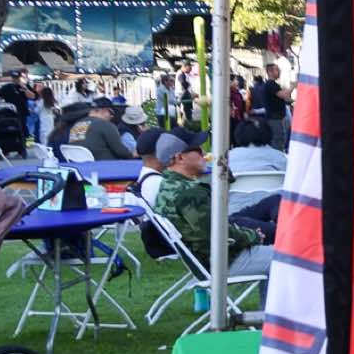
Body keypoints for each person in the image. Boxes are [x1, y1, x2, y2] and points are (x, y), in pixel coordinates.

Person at [155, 132, 273, 280]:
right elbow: (218, 233)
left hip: (205, 260)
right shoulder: (190, 193)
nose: (204, 153)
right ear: (180, 158)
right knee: (290, 259)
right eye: (198, 150)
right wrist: (253, 236)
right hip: (221, 261)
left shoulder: (168, 185)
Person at [65, 98, 132, 161]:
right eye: (111, 113)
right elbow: (122, 152)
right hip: (105, 166)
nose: (112, 117)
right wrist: (135, 154)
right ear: (105, 110)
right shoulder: (105, 124)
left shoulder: (77, 125)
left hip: (80, 167)